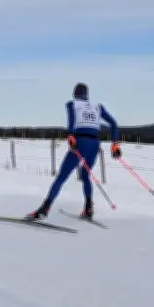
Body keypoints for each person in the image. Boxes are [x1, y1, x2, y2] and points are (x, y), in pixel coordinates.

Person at [25, 82, 121, 221]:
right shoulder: (98, 106)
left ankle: (44, 209)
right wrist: (115, 144)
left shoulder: (72, 104)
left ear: (75, 94)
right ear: (87, 94)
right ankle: (88, 208)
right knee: (85, 174)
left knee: (62, 177)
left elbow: (71, 119)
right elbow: (114, 124)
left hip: (80, 143)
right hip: (95, 144)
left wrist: (70, 135)